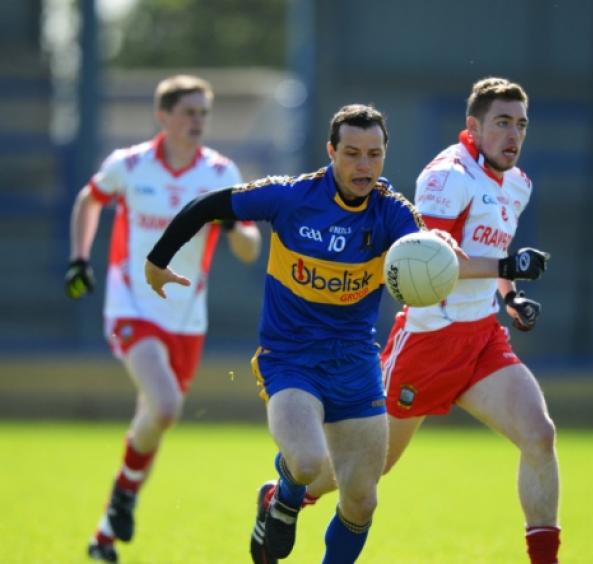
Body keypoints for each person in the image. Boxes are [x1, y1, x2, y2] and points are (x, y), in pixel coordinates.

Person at [143, 103, 546, 564]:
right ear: (330, 151)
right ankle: (282, 499)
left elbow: (433, 252)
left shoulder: (393, 213)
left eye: (374, 155)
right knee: (309, 462)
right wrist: (158, 261)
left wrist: (460, 257)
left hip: (355, 366)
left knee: (362, 498)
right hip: (291, 359)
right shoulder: (291, 196)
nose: (363, 166)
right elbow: (207, 205)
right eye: (352, 153)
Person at [274, 78, 560, 563]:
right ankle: (285, 490)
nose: (514, 135)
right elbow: (436, 260)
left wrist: (509, 296)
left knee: (540, 435)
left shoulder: (518, 183)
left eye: (521, 124)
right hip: (428, 340)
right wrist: (507, 269)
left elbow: (493, 250)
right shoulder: (449, 175)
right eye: (502, 123)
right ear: (474, 126)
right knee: (367, 469)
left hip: (482, 339)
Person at [65, 74, 262, 563]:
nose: (197, 122)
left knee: (152, 418)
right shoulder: (129, 165)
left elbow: (248, 245)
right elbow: (89, 199)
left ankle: (105, 533)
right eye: (189, 112)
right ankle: (125, 498)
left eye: (204, 113)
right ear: (164, 116)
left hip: (186, 320)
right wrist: (79, 258)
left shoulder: (219, 173)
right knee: (167, 405)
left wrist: (240, 232)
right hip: (131, 306)